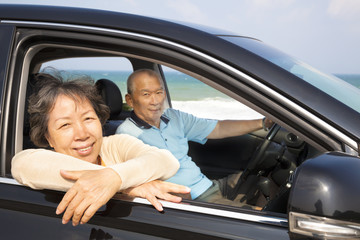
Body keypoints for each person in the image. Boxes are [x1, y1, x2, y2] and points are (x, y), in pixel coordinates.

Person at [11, 72, 190, 226]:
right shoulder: (44, 163)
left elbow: (166, 160)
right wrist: (126, 186)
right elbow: (20, 164)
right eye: (65, 125)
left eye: (88, 119)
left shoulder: (115, 145)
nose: (82, 134)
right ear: (48, 137)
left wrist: (115, 178)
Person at [116, 69, 274, 207]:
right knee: (263, 219)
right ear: (129, 100)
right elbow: (124, 180)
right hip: (192, 200)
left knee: (268, 175)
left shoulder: (173, 116)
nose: (156, 101)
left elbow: (218, 128)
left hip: (208, 185)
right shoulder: (126, 134)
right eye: (146, 94)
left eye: (159, 92)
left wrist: (263, 123)